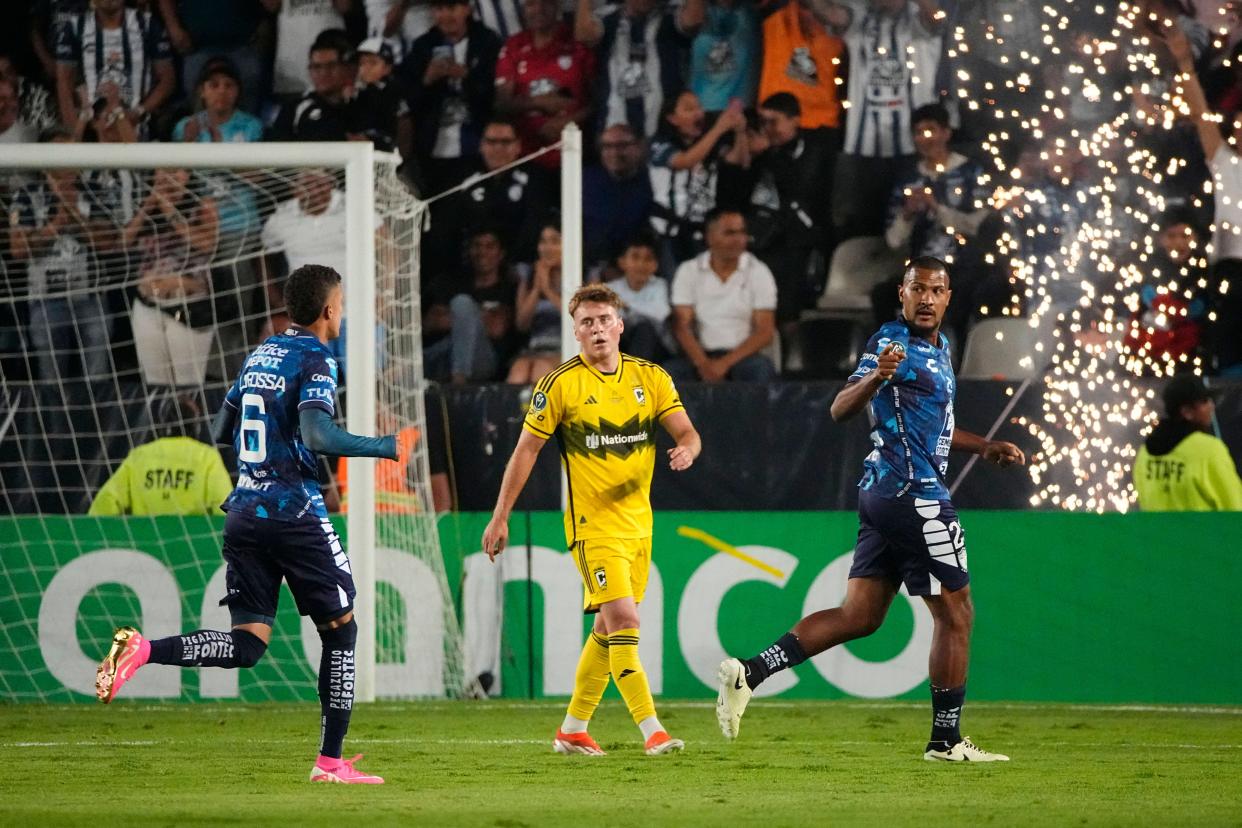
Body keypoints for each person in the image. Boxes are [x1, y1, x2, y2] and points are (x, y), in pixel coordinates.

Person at [94, 264, 398, 785]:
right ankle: (330, 762)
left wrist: (257, 471)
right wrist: (382, 447)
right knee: (341, 631)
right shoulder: (316, 358)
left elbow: (221, 424)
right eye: (342, 304)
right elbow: (318, 435)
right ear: (329, 310)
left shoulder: (265, 352)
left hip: (244, 512)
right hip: (294, 513)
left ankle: (142, 650)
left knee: (248, 645)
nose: (342, 312)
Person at [715, 256, 1025, 762]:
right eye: (917, 289)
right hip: (913, 496)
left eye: (936, 290)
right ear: (901, 294)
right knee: (957, 614)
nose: (926, 298)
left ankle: (750, 672)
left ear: (949, 298)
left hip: (886, 493)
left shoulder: (941, 346)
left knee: (859, 616)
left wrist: (983, 445)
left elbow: (936, 429)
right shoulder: (892, 345)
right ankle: (945, 741)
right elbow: (841, 408)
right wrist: (876, 379)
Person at [481, 282, 702, 756]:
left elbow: (687, 431)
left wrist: (687, 448)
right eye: (587, 323)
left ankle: (573, 728)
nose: (597, 329)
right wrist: (500, 516)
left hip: (639, 526)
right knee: (624, 618)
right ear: (576, 331)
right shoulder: (560, 385)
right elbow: (526, 452)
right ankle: (653, 731)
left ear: (619, 325)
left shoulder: (652, 378)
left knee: (606, 631)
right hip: (592, 526)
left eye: (604, 320)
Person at [821, 0, 945, 240]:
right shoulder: (860, 15)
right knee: (867, 224)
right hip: (866, 146)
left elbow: (936, 19)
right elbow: (828, 13)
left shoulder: (918, 15)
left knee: (914, 220)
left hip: (913, 144)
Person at [121, 167, 221, 388]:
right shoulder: (144, 206)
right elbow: (123, 241)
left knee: (188, 385)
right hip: (147, 307)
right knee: (156, 385)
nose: (169, 177)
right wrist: (149, 204)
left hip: (187, 308)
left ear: (187, 176)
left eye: (176, 171)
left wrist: (170, 211)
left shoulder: (202, 204)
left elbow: (207, 243)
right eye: (163, 171)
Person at [666, 208, 778, 382]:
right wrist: (703, 364)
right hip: (699, 356)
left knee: (760, 370)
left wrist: (724, 363)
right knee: (669, 373)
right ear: (710, 237)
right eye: (730, 233)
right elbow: (681, 326)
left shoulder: (759, 272)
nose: (739, 239)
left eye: (742, 232)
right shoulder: (689, 271)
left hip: (742, 356)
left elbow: (765, 331)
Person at [401, 0, 502, 190]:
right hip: (431, 153)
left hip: (477, 149)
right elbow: (407, 101)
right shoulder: (422, 47)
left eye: (452, 8)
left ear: (467, 9)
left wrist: (466, 76)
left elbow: (496, 97)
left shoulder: (487, 42)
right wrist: (427, 80)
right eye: (439, 8)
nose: (446, 16)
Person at [648, 92, 750, 273]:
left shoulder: (707, 143)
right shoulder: (660, 144)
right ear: (672, 118)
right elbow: (684, 161)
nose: (698, 113)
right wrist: (718, 129)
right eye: (689, 109)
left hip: (704, 233)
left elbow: (740, 161)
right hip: (669, 234)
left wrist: (740, 131)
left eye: (699, 107)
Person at [575, 0, 706, 139]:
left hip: (663, 129)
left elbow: (693, 21)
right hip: (616, 130)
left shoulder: (670, 15)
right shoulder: (608, 17)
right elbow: (583, 35)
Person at [88, 395, 233, 516]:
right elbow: (223, 504)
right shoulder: (206, 456)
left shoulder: (140, 455)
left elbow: (107, 500)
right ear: (196, 426)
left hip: (145, 539)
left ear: (162, 424)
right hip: (193, 541)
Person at [494, 0, 596, 168]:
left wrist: (571, 122)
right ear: (523, 9)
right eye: (531, 4)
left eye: (546, 3)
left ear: (557, 6)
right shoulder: (514, 46)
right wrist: (538, 102)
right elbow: (501, 103)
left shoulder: (578, 45)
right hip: (526, 156)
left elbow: (599, 99)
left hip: (573, 153)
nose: (539, 10)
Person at [53, 0, 175, 138]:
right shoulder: (75, 26)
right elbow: (64, 83)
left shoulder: (148, 24)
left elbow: (167, 79)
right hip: (91, 131)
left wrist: (138, 111)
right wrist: (74, 134)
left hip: (139, 129)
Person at [1133, 375, 1242, 511]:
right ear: (1187, 412)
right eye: (1204, 401)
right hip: (1204, 531)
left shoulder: (1144, 453)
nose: (1211, 406)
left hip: (1158, 532)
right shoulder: (1208, 449)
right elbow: (1234, 506)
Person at [583, 123, 654, 273]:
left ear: (639, 147)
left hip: (636, 267)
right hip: (589, 265)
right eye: (607, 146)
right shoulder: (585, 180)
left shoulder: (652, 180)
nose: (614, 152)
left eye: (622, 145)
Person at [269, 29, 355, 142]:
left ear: (347, 68)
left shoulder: (362, 105)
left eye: (331, 66)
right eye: (317, 67)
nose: (324, 73)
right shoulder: (294, 109)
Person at [508, 223, 565, 384]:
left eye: (555, 241)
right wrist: (536, 289)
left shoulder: (584, 275)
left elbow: (579, 320)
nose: (547, 248)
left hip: (567, 348)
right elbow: (522, 324)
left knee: (541, 370)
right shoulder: (528, 275)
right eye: (543, 241)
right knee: (518, 373)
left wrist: (548, 291)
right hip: (535, 349)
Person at [606, 230, 673, 361]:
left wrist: (626, 306)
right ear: (622, 262)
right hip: (622, 344)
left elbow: (660, 313)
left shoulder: (660, 286)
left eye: (648, 259)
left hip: (656, 347)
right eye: (635, 257)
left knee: (644, 329)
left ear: (655, 265)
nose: (641, 264)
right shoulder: (610, 289)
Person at [347, 38, 415, 157]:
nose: (366, 68)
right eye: (362, 63)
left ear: (387, 68)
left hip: (386, 152)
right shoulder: (356, 93)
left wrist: (401, 157)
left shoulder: (394, 92)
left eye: (373, 63)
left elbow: (404, 128)